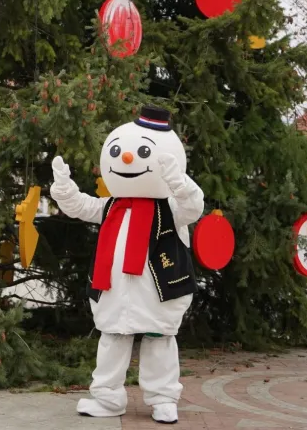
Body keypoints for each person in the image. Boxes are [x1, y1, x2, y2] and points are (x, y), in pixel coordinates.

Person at [49, 106, 204, 424]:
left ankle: (163, 399)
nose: (128, 158)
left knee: (159, 341)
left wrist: (178, 181)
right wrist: (64, 188)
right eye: (118, 152)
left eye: (142, 153)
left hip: (158, 292)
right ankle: (107, 397)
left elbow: (193, 206)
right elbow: (81, 206)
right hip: (115, 290)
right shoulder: (111, 206)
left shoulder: (170, 209)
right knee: (112, 340)